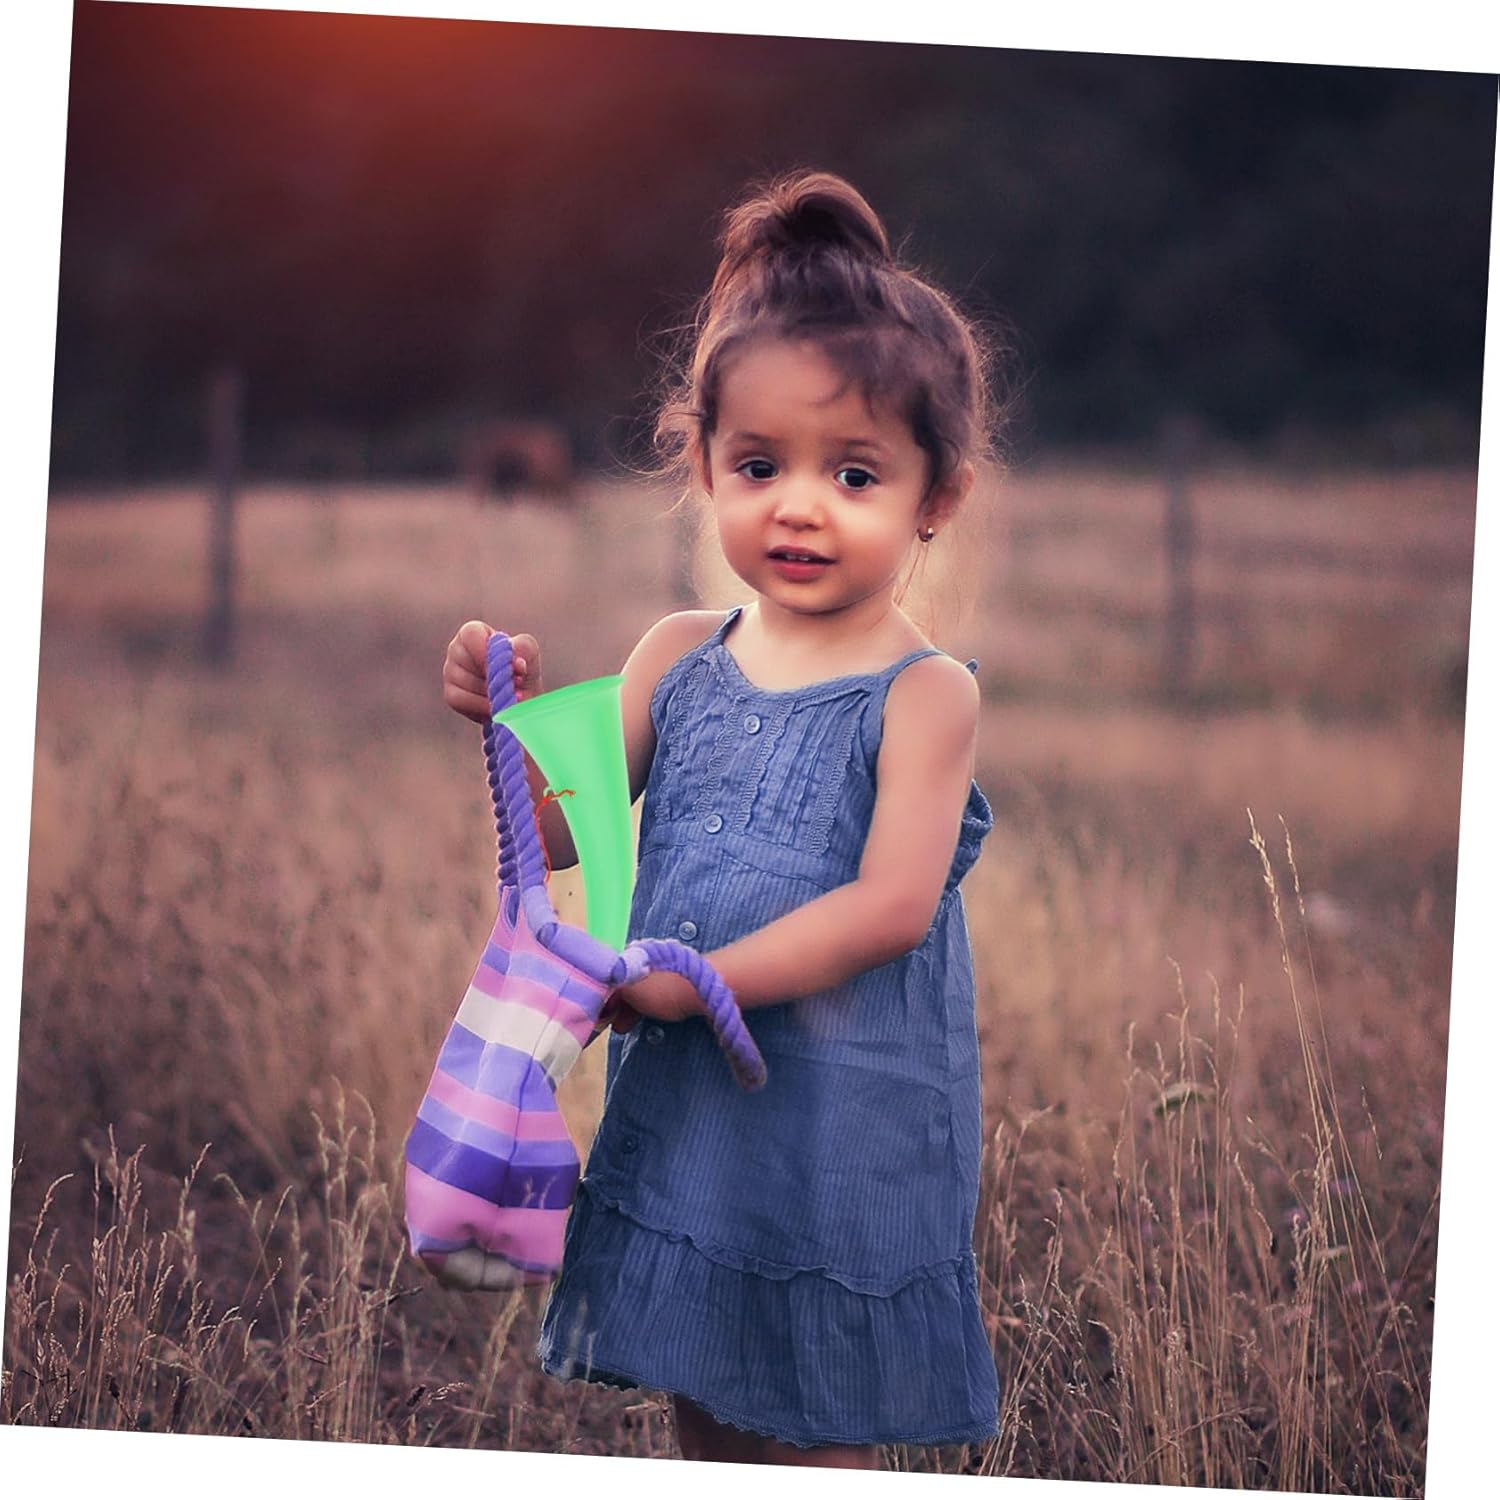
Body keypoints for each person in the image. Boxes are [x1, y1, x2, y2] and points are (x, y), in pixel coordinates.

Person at [441, 169, 1001, 1469]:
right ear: (702, 467)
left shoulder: (925, 696)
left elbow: (891, 906)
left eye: (854, 471)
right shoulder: (675, 656)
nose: (799, 503)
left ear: (937, 497)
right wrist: (500, 713)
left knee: (817, 1412)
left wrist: (698, 983)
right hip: (694, 1111)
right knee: (702, 1397)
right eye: (760, 464)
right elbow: (558, 835)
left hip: (838, 1123)